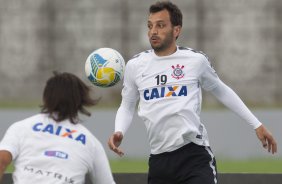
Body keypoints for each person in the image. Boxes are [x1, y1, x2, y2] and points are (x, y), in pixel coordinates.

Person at [108, 1, 277, 184]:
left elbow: (221, 90)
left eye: (161, 25)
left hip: (194, 156)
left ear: (176, 30)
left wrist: (256, 124)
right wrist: (119, 131)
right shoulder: (135, 66)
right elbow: (127, 105)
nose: (153, 31)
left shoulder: (195, 61)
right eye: (150, 26)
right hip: (159, 161)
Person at [0, 72, 116, 184]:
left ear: (46, 98)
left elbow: (1, 162)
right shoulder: (92, 143)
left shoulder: (21, 127)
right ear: (80, 101)